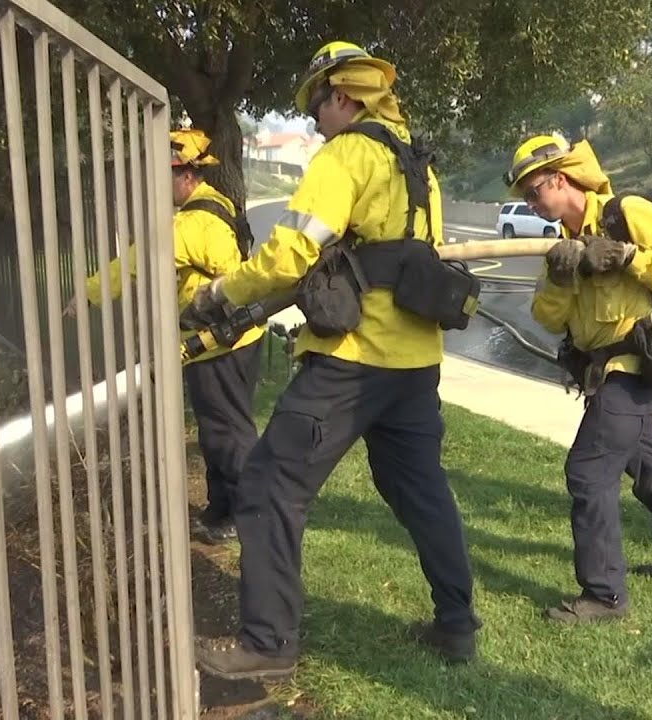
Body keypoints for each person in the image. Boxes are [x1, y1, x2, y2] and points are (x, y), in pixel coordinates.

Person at [187, 41, 481, 680]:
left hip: (354, 359)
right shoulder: (417, 167)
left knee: (268, 484)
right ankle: (457, 626)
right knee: (420, 489)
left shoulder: (346, 153)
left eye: (317, 104)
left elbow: (291, 252)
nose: (314, 118)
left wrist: (220, 292)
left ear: (342, 96)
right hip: (414, 361)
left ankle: (267, 643)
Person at [508, 134, 652, 624]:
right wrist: (562, 278)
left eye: (534, 192)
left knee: (588, 472)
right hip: (601, 372)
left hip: (631, 368)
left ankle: (604, 595)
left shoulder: (628, 212)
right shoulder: (559, 245)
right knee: (649, 467)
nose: (531, 204)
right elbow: (548, 317)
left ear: (560, 179)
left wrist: (629, 258)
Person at [71, 128, 264, 544]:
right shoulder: (216, 207)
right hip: (224, 341)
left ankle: (248, 516)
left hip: (222, 345)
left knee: (228, 433)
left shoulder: (192, 223)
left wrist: (87, 294)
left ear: (186, 175)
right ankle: (220, 511)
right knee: (217, 431)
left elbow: (133, 263)